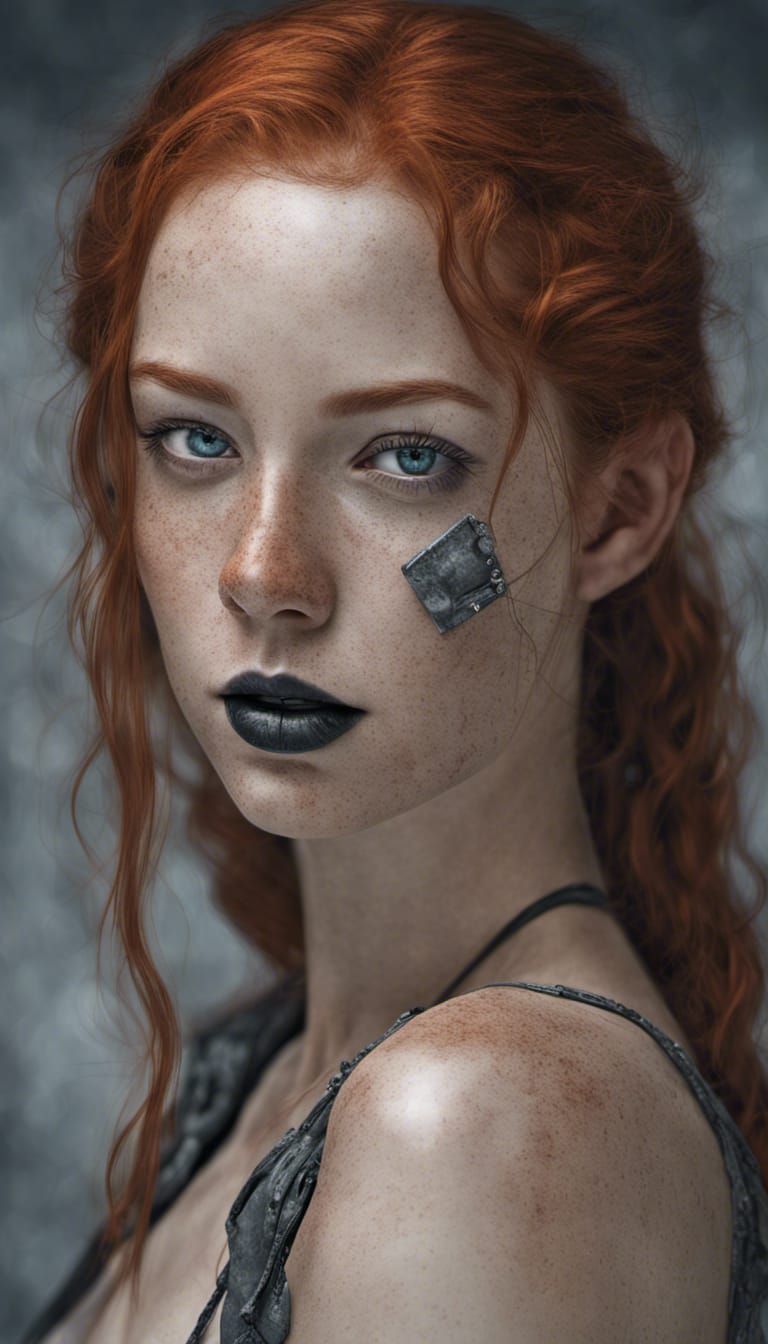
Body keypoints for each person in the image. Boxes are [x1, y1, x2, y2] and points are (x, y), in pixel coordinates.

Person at [19, 0, 768, 1340]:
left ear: (619, 511)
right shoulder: (277, 1070)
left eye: (406, 457)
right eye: (195, 439)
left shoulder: (481, 1122)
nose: (264, 573)